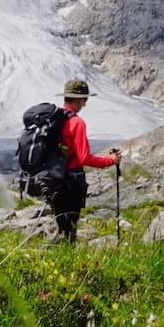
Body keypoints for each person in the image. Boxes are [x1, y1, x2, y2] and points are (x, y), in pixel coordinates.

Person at [50, 78, 122, 243]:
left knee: (62, 225)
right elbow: (84, 158)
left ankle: (58, 258)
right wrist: (110, 160)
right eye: (85, 99)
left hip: (54, 179)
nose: (85, 104)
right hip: (72, 181)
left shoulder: (55, 119)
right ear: (78, 99)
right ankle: (65, 261)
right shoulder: (77, 123)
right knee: (70, 229)